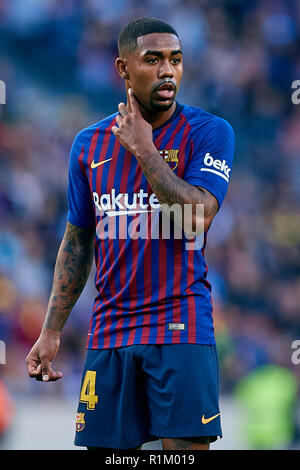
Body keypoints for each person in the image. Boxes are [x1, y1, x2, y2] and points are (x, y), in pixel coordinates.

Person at [26, 17, 235, 451]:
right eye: (153, 60)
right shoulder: (88, 145)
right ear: (123, 69)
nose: (167, 71)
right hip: (111, 329)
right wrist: (51, 330)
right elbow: (79, 239)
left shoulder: (210, 132)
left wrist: (144, 148)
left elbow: (197, 217)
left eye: (176, 60)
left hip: (181, 327)